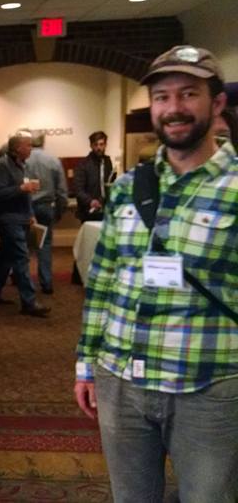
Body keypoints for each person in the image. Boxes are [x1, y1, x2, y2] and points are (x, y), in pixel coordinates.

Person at [74, 45, 238, 503]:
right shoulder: (129, 187)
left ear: (217, 103)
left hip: (208, 386)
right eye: (162, 97)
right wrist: (87, 365)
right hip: (121, 381)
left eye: (188, 94)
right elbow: (103, 282)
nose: (174, 108)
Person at [0, 132, 50, 317]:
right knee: (21, 259)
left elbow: (24, 195)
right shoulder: (1, 166)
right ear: (17, 147)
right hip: (8, 219)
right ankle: (29, 302)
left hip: (19, 218)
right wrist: (20, 188)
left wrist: (30, 215)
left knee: (4, 258)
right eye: (28, 145)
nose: (31, 148)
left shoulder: (21, 165)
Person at [24, 133, 68, 294]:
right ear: (43, 141)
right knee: (45, 245)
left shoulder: (24, 160)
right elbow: (62, 190)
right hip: (45, 207)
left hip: (26, 206)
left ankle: (22, 279)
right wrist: (59, 210)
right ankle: (46, 282)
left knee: (25, 245)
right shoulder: (53, 160)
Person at [74, 131, 114, 222]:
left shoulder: (108, 162)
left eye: (101, 144)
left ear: (105, 145)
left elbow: (109, 183)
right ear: (91, 146)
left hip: (106, 209)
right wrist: (90, 201)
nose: (99, 147)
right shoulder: (83, 164)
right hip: (89, 211)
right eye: (96, 145)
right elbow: (78, 189)